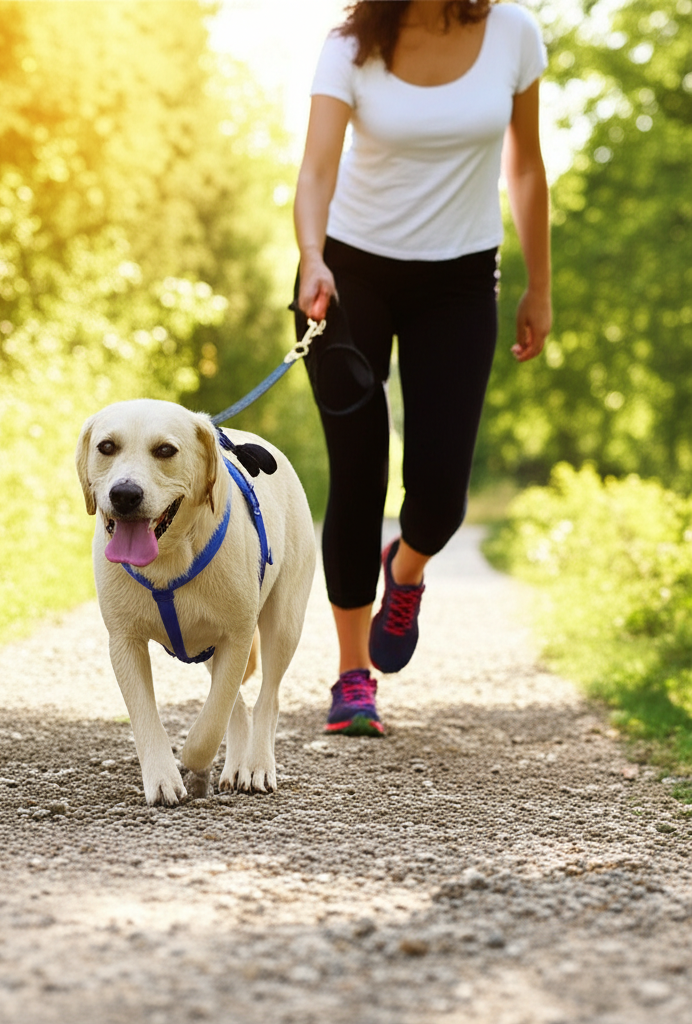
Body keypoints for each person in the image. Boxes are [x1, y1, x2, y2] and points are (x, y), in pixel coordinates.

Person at [292, 0, 552, 736]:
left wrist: (539, 285)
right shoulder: (350, 46)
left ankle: (403, 570)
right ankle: (353, 676)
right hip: (349, 274)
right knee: (358, 472)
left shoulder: (513, 33)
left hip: (460, 280)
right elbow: (317, 167)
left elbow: (526, 165)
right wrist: (311, 257)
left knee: (439, 498)